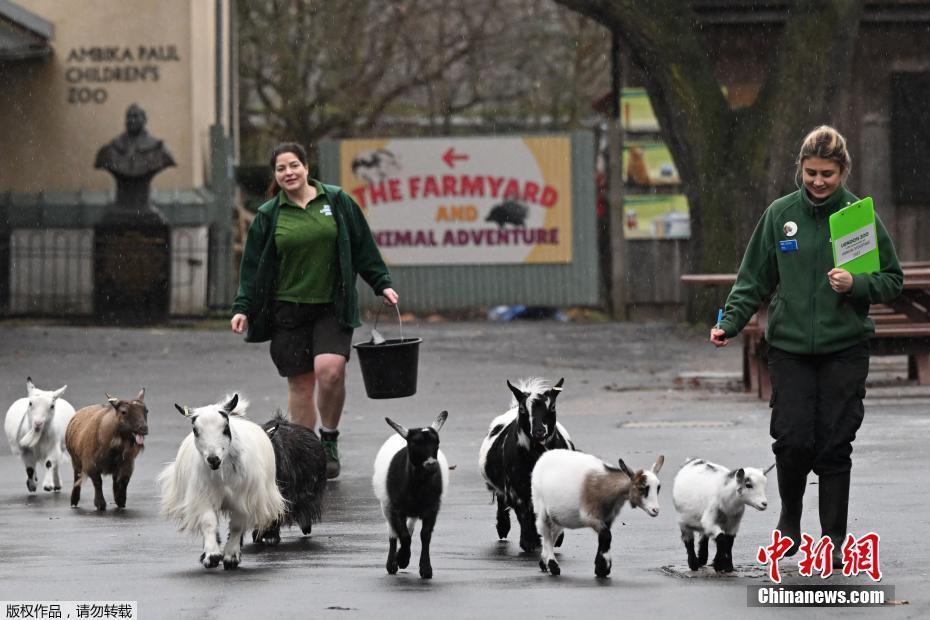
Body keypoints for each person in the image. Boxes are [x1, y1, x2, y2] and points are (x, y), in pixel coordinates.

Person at [710, 126, 903, 561]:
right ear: (800, 167)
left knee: (835, 442)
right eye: (811, 172)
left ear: (843, 171)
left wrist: (856, 284)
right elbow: (753, 279)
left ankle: (833, 537)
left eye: (828, 174)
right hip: (791, 349)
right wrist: (730, 322)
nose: (818, 181)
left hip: (845, 347)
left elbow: (892, 280)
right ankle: (791, 520)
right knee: (793, 439)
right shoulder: (781, 215)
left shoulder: (858, 217)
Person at [231, 142, 398, 479]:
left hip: (330, 306)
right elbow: (251, 269)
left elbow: (363, 246)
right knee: (302, 385)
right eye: (281, 169)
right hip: (287, 311)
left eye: (294, 165)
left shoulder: (336, 201)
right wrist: (243, 308)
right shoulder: (269, 215)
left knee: (331, 370)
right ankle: (304, 451)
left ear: (307, 168)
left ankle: (330, 439)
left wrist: (382, 283)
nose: (288, 173)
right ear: (275, 176)